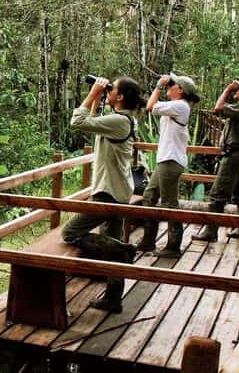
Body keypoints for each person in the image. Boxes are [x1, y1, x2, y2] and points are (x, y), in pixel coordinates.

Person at [62, 76, 145, 313]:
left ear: (119, 97)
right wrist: (100, 95)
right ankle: (112, 298)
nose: (109, 91)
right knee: (111, 244)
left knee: (70, 233)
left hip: (107, 193)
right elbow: (92, 121)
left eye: (112, 89)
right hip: (120, 190)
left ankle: (123, 249)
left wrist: (93, 92)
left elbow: (77, 121)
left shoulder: (119, 121)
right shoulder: (125, 119)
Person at [138, 73, 200, 258]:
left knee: (169, 204)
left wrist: (158, 86)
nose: (168, 86)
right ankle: (148, 241)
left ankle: (173, 246)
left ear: (180, 90)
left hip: (171, 161)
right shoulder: (175, 106)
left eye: (172, 84)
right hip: (165, 160)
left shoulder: (180, 106)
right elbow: (151, 105)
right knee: (149, 197)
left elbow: (150, 107)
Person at [193, 80, 239, 242]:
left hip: (233, 157)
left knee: (217, 195)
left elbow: (218, 108)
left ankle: (210, 231)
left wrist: (227, 90)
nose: (237, 91)